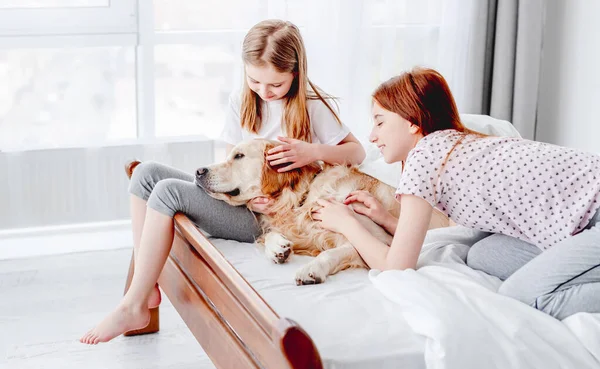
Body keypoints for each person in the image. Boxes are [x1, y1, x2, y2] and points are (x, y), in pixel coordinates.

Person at [80, 19, 365, 344]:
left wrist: (311, 151)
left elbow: (357, 153)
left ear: (296, 73)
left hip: (270, 216)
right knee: (145, 174)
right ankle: (144, 290)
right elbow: (231, 164)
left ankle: (132, 304)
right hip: (244, 202)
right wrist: (242, 196)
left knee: (167, 192)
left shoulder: (311, 107)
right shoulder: (242, 101)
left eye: (275, 84)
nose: (264, 91)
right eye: (254, 80)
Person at [312, 67, 600, 320]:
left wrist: (345, 223)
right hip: (582, 216)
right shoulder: (450, 147)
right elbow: (441, 232)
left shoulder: (424, 158)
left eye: (380, 122)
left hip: (594, 212)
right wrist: (388, 221)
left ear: (412, 122)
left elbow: (396, 267)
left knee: (522, 296)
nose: (372, 136)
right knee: (482, 254)